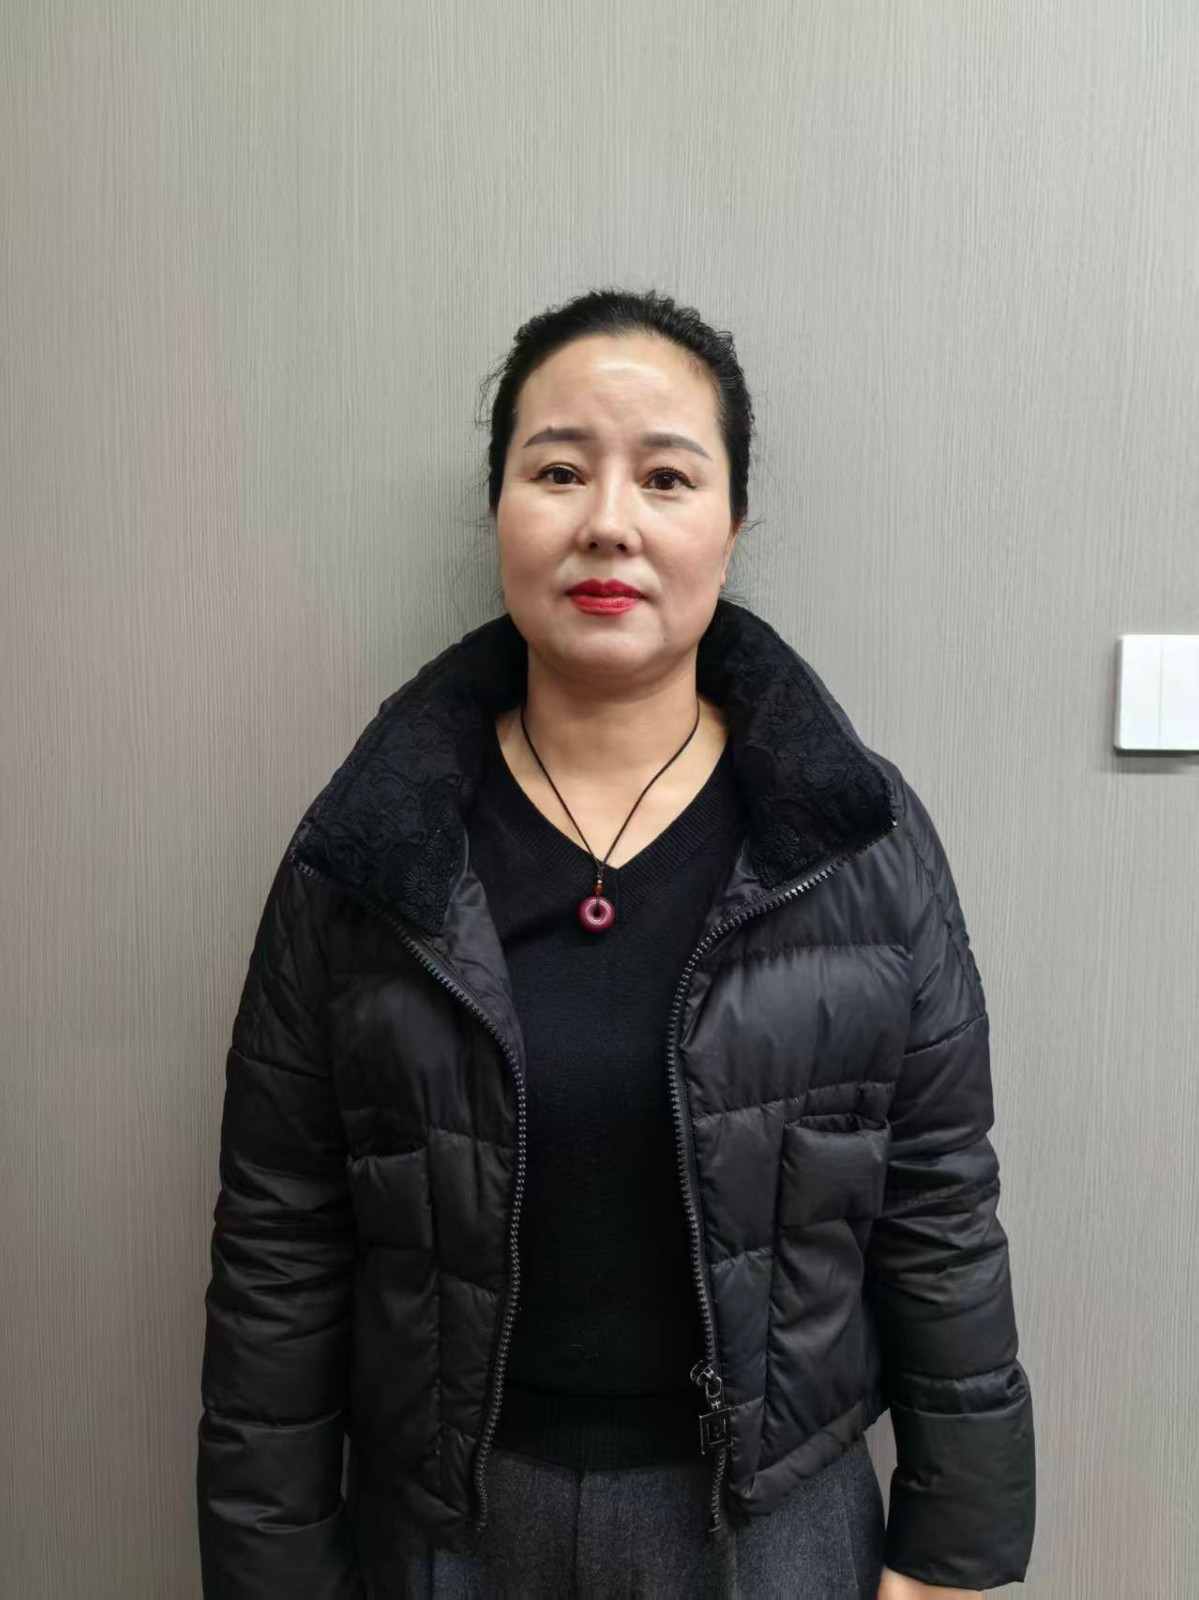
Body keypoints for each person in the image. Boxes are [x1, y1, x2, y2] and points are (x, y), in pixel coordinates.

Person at [197, 288, 1035, 1598]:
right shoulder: (370, 848)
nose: (609, 521)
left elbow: (937, 1206)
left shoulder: (857, 840)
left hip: (768, 1531)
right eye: (558, 470)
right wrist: (272, 1568)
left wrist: (955, 1557)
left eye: (666, 477)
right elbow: (280, 1241)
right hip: (447, 1532)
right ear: (500, 511)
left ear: (732, 528)